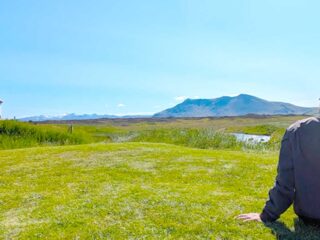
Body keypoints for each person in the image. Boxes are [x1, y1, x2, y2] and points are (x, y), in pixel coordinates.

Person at [237, 117, 320, 225]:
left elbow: (285, 183)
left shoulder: (297, 130)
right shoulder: (297, 130)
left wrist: (267, 215)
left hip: (312, 216)